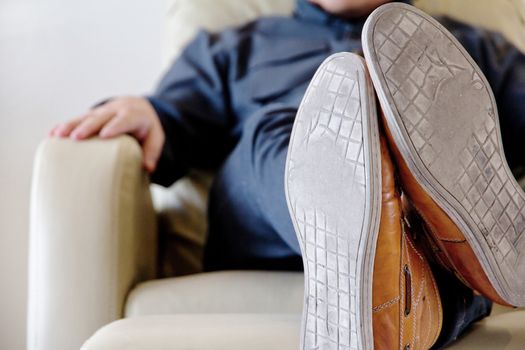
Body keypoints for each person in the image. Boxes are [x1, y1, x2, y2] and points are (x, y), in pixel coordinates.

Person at [49, 0, 525, 348]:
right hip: (269, 218)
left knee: (446, 110)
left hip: (417, 221)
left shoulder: (467, 48)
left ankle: (403, 287)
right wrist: (149, 113)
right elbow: (173, 122)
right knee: (279, 128)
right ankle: (397, 245)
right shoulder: (237, 46)